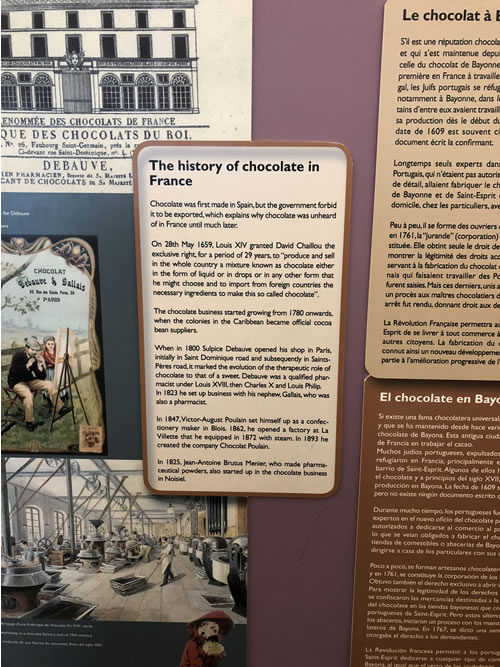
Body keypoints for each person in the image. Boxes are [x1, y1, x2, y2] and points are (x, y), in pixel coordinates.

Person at [7, 336, 69, 432]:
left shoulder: (34, 358)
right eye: (33, 350)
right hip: (16, 382)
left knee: (49, 384)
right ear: (27, 348)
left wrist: (40, 369)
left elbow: (41, 376)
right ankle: (29, 422)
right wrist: (27, 366)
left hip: (29, 380)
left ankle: (60, 408)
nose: (35, 352)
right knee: (28, 395)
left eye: (36, 350)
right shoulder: (18, 356)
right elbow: (15, 371)